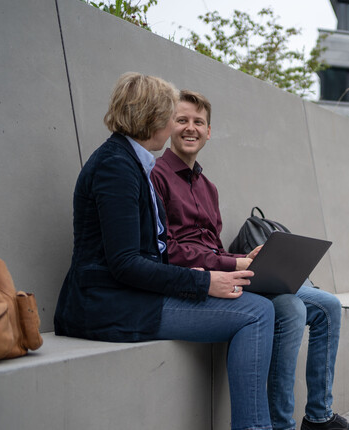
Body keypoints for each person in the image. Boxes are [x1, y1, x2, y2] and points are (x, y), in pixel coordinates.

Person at [54, 73, 275, 430]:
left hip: (134, 295)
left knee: (262, 307)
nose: (177, 124)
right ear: (154, 118)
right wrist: (203, 283)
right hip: (106, 304)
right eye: (173, 115)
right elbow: (125, 264)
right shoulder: (116, 167)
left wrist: (203, 276)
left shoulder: (129, 161)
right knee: (257, 313)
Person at [150, 90, 349, 430]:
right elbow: (167, 250)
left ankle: (319, 417)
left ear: (209, 131)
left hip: (229, 273)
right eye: (182, 120)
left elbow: (212, 248)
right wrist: (235, 265)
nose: (190, 128)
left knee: (327, 306)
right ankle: (279, 423)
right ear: (168, 126)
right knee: (291, 307)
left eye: (199, 122)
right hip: (197, 283)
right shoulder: (156, 177)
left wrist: (246, 257)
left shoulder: (208, 187)